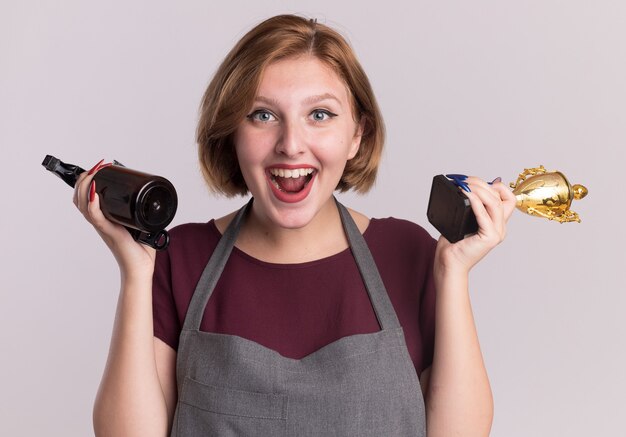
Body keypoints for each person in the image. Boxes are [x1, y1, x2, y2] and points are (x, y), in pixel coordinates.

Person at [74, 14, 516, 436]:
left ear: (357, 135)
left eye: (319, 115)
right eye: (262, 115)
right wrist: (134, 273)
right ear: (231, 131)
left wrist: (454, 273)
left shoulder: (409, 252)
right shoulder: (179, 258)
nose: (290, 144)